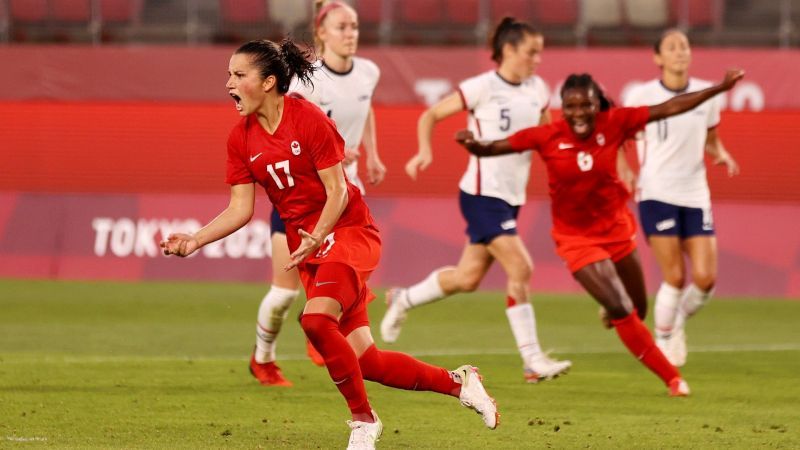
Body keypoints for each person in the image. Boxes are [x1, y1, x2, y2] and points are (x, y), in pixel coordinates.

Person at [161, 38, 498, 450]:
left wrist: (318, 234)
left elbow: (338, 190)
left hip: (349, 233)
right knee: (367, 362)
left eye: (237, 74)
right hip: (311, 247)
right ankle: (460, 383)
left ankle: (363, 421)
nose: (228, 83)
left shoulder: (308, 120)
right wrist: (195, 239)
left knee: (316, 320)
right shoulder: (240, 139)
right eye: (229, 74)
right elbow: (240, 209)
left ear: (268, 82)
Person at [454, 69, 745, 396]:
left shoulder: (616, 122)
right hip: (576, 239)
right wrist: (473, 145)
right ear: (561, 108)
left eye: (586, 105)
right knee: (622, 309)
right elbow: (494, 148)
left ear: (598, 105)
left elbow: (672, 106)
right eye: (571, 106)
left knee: (638, 309)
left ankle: (613, 309)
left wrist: (719, 87)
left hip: (616, 230)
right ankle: (673, 379)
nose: (579, 113)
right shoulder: (546, 135)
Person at [380, 17, 571, 384]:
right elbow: (432, 114)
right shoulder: (482, 86)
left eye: (540, 53)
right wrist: (423, 151)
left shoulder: (538, 89)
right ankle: (532, 361)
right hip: (482, 195)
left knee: (467, 278)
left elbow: (548, 136)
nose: (537, 60)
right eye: (532, 52)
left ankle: (403, 298)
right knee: (522, 268)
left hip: (511, 198)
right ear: (509, 50)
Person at [249, 0, 387, 386]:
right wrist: (333, 150)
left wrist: (371, 153)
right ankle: (262, 358)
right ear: (321, 33)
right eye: (342, 27)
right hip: (299, 199)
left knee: (348, 275)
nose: (350, 34)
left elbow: (366, 107)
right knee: (282, 293)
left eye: (355, 27)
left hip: (343, 197)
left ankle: (323, 330)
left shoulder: (369, 72)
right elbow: (285, 131)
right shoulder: (304, 81)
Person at [623, 29, 739, 367]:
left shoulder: (708, 95)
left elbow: (711, 138)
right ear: (657, 57)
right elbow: (620, 137)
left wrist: (721, 154)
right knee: (674, 276)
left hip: (695, 192)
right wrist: (625, 171)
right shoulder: (642, 94)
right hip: (657, 191)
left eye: (684, 46)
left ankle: (674, 322)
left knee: (705, 280)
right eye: (672, 47)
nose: (680, 52)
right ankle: (663, 339)